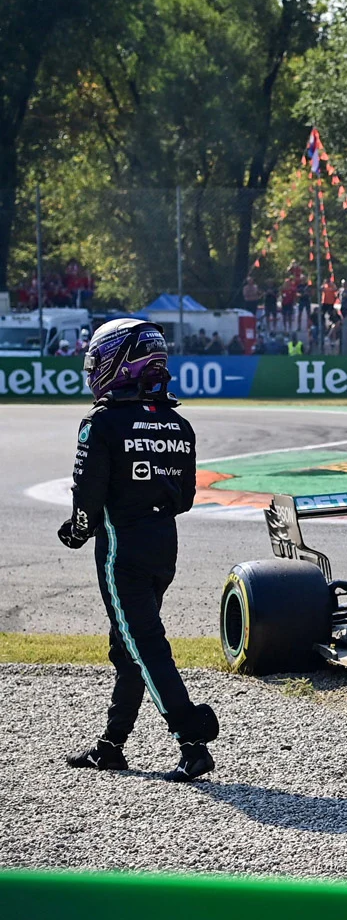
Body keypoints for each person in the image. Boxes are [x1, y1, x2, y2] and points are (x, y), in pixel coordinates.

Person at [59, 318, 219, 782]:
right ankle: (112, 746)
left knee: (144, 646)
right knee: (128, 645)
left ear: (117, 363)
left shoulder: (101, 423)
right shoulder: (178, 424)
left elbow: (86, 502)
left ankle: (191, 740)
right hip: (164, 547)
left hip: (120, 551)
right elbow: (185, 498)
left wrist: (74, 532)